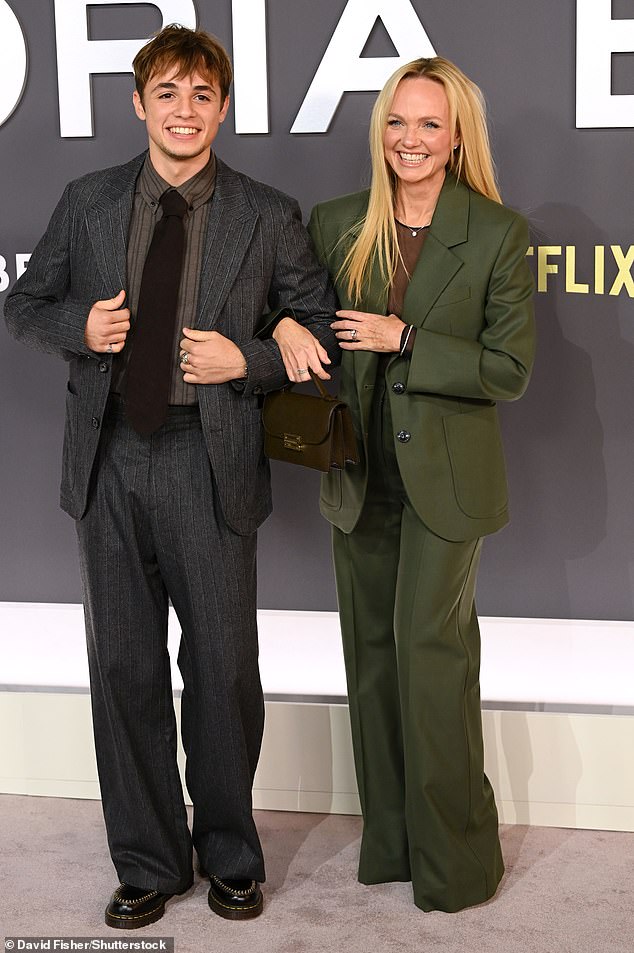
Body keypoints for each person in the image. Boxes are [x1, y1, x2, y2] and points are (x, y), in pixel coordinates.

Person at [4, 24, 337, 928]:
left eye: (201, 95)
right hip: (108, 454)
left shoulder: (267, 213)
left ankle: (230, 854)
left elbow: (319, 329)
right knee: (124, 666)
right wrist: (81, 328)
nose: (184, 111)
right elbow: (23, 303)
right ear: (139, 103)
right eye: (167, 93)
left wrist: (248, 357)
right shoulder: (89, 200)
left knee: (223, 668)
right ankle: (149, 860)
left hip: (207, 457)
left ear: (222, 108)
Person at [272, 57, 535, 913]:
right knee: (374, 658)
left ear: (456, 138)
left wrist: (406, 338)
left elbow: (509, 369)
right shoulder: (337, 221)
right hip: (359, 474)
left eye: (428, 124)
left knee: (431, 655)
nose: (409, 139)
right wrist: (284, 324)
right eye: (396, 121)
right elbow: (298, 313)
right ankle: (391, 844)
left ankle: (455, 862)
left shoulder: (497, 232)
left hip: (448, 484)